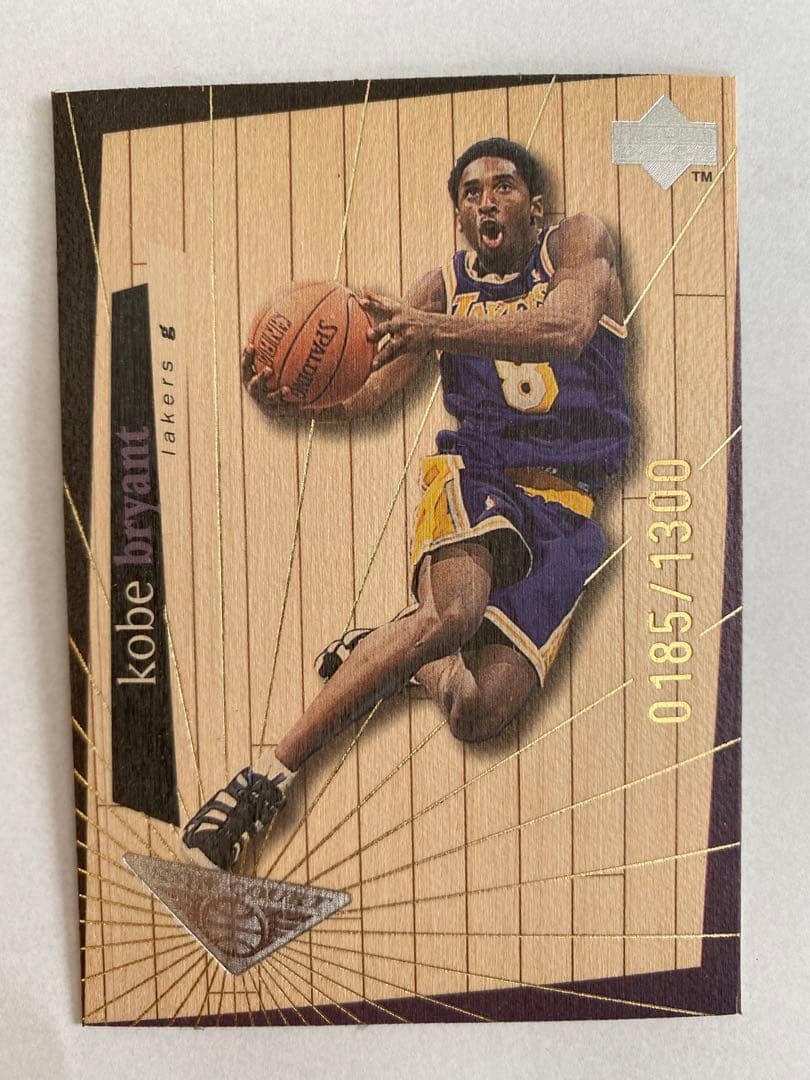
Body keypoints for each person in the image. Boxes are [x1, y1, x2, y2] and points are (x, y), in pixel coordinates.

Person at [182, 137, 631, 871]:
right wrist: (298, 402)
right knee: (453, 613)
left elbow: (567, 329)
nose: (487, 201)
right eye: (471, 193)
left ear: (535, 205)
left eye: (504, 186)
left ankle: (391, 653)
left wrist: (435, 331)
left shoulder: (576, 245)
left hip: (569, 509)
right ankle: (264, 780)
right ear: (460, 215)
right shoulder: (439, 288)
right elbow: (369, 396)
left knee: (476, 712)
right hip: (478, 472)